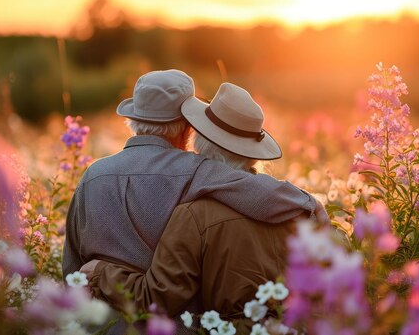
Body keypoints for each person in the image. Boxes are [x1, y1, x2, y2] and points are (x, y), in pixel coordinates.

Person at [62, 71, 323, 332]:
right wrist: (308, 203)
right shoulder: (200, 171)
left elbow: (71, 270)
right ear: (187, 126)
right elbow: (260, 192)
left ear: (132, 119)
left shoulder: (91, 177)